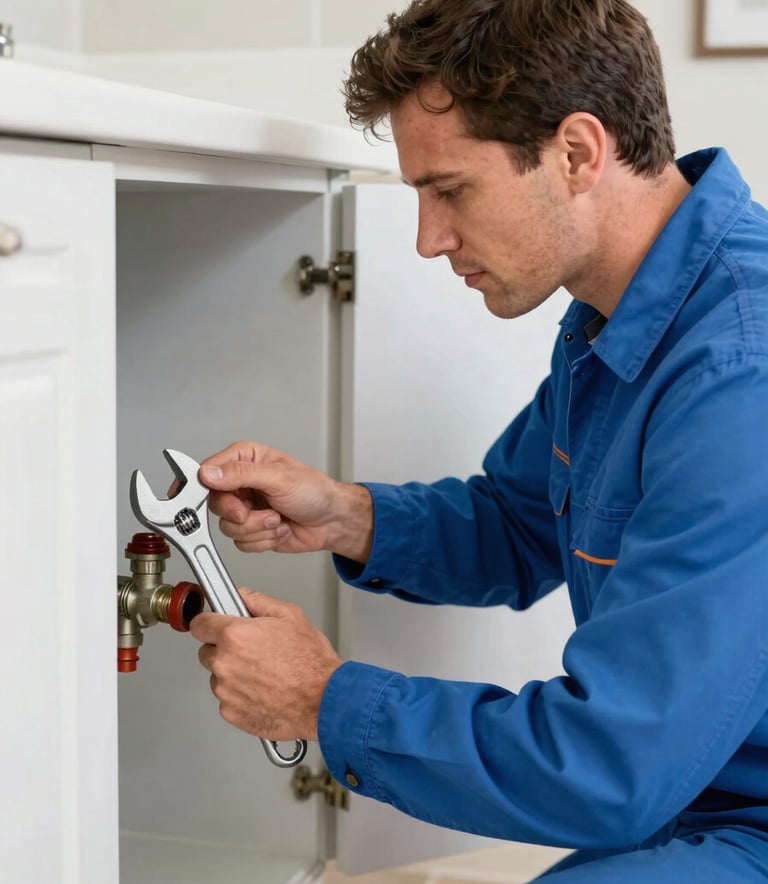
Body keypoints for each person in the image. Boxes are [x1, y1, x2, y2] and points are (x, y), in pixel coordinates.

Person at [188, 0, 768, 879]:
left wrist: (322, 698)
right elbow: (523, 519)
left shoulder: (738, 371)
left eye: (449, 190)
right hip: (696, 801)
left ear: (577, 152)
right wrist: (347, 516)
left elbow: (612, 765)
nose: (428, 240)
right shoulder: (619, 318)